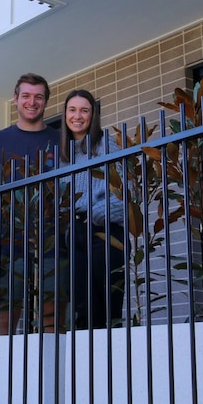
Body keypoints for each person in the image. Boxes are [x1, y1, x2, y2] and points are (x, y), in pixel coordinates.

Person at [0, 73, 61, 334]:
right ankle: (4, 372)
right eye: (26, 95)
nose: (32, 102)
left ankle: (51, 371)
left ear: (46, 101)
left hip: (51, 235)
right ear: (15, 99)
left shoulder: (60, 139)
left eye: (38, 97)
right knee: (6, 313)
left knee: (51, 312)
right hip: (7, 237)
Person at [60, 89, 126, 329]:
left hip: (104, 233)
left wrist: (100, 212)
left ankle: (112, 364)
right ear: (65, 115)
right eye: (72, 110)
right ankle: (89, 366)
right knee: (82, 310)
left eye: (84, 110)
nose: (78, 116)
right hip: (75, 236)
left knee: (109, 309)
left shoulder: (107, 144)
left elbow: (127, 192)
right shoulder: (62, 156)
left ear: (93, 115)